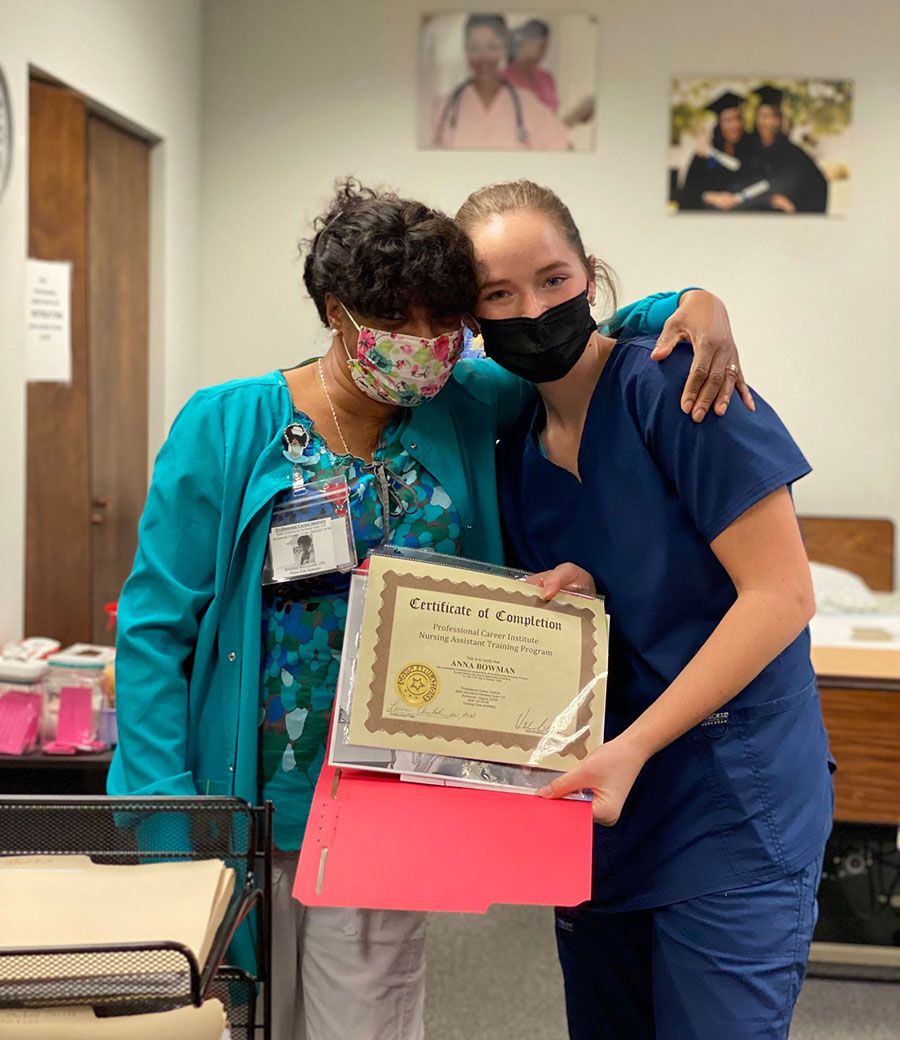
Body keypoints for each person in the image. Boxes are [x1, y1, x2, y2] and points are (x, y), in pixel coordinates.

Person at [108, 178, 748, 1040]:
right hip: (234, 797)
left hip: (387, 802)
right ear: (336, 312)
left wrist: (694, 301)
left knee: (362, 1022)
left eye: (442, 322)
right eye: (396, 322)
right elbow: (154, 632)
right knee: (217, 1016)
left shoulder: (464, 399)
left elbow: (576, 334)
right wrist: (162, 816)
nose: (423, 344)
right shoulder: (227, 425)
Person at [455, 179, 834, 1040]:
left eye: (554, 281)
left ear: (591, 278)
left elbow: (784, 594)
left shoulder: (679, 387)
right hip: (601, 807)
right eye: (499, 295)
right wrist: (582, 593)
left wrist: (634, 747)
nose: (535, 309)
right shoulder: (512, 449)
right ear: (474, 320)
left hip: (731, 801)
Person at [433, 14, 571, 150]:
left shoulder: (527, 104)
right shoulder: (443, 108)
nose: (483, 57)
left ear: (504, 49)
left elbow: (565, 147)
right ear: (466, 50)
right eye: (475, 47)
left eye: (492, 47)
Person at [748, 84, 828, 214]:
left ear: (780, 120)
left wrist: (795, 207)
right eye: (763, 116)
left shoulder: (793, 153)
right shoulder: (747, 148)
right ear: (756, 119)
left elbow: (819, 185)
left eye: (773, 116)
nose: (768, 122)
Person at [678, 90, 764, 211]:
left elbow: (764, 184)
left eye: (738, 118)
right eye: (728, 120)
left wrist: (739, 198)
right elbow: (688, 193)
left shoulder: (753, 148)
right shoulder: (705, 153)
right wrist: (711, 197)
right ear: (720, 124)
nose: (735, 124)